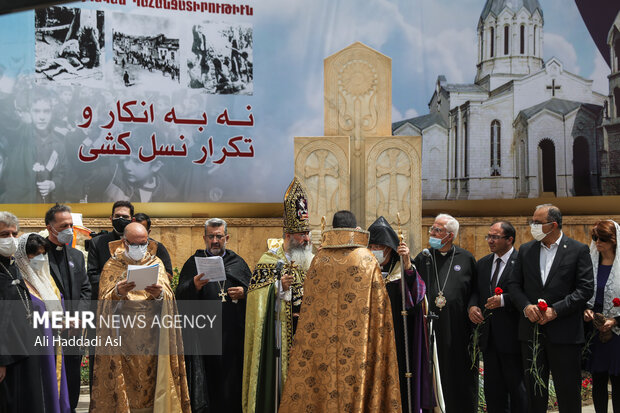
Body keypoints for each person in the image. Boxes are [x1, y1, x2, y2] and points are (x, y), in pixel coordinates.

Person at [279, 210, 402, 412]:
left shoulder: (319, 260)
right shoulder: (366, 259)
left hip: (322, 344)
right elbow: (381, 306)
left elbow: (308, 303)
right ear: (355, 229)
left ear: (332, 229)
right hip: (359, 345)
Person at [89, 223, 190, 412]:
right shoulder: (112, 265)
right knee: (125, 386)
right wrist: (118, 292)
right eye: (134, 244)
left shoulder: (156, 263)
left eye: (143, 243)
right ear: (124, 242)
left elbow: (169, 298)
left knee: (151, 385)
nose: (140, 248)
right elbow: (103, 301)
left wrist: (159, 294)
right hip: (122, 340)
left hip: (152, 338)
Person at [507, 204, 594, 413]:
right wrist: (526, 306)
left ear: (553, 225)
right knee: (534, 391)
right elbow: (514, 285)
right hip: (532, 333)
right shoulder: (526, 250)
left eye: (537, 222)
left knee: (568, 392)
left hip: (565, 334)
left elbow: (585, 289)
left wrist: (556, 310)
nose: (532, 226)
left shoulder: (577, 250)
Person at [242, 177, 313, 413]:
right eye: (301, 234)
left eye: (307, 233)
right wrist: (277, 287)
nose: (306, 239)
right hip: (280, 340)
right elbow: (255, 298)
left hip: (308, 338)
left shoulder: (311, 262)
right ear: (288, 235)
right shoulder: (270, 261)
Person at [176, 218, 252, 413]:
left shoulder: (238, 262)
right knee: (207, 380)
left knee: (231, 379)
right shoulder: (193, 263)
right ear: (204, 238)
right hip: (204, 335)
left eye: (219, 236)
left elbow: (253, 290)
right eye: (211, 236)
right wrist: (194, 286)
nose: (215, 240)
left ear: (227, 237)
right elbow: (179, 294)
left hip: (232, 335)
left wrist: (244, 293)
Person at [367, 216, 434, 412]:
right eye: (371, 245)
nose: (375, 250)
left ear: (389, 247)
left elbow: (417, 299)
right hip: (371, 336)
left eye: (379, 245)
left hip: (399, 336)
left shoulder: (403, 271)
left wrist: (407, 267)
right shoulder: (365, 270)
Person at [413, 213, 478, 413]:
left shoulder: (466, 259)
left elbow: (476, 289)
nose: (431, 233)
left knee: (458, 373)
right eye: (432, 229)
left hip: (458, 328)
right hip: (429, 328)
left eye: (437, 230)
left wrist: (473, 306)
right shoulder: (423, 258)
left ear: (450, 236)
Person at [468, 221, 526, 413]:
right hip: (489, 338)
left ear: (509, 239)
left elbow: (528, 294)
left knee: (517, 391)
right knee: (493, 392)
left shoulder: (522, 262)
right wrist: (473, 306)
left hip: (513, 337)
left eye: (495, 237)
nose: (490, 241)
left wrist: (504, 300)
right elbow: (475, 291)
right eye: (489, 236)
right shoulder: (483, 263)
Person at [44, 204, 90, 412]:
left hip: (73, 331)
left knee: (71, 380)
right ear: (49, 228)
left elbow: (86, 289)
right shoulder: (38, 255)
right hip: (49, 330)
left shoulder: (77, 256)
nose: (69, 230)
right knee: (50, 381)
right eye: (63, 226)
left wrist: (78, 318)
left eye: (71, 225)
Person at [0, 213, 46, 412]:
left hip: (25, 349)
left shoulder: (13, 266)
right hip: (6, 356)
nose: (10, 239)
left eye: (13, 233)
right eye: (3, 234)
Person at [584, 220, 620, 413]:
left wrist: (615, 320)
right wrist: (586, 309)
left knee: (617, 381)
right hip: (595, 331)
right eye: (595, 238)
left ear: (613, 240)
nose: (598, 242)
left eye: (602, 238)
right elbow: (582, 291)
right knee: (597, 379)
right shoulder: (591, 263)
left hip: (617, 331)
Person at [134, 212, 173, 279]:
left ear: (148, 232)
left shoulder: (158, 247)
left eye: (141, 230)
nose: (137, 233)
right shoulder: (121, 247)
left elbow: (169, 276)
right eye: (135, 230)